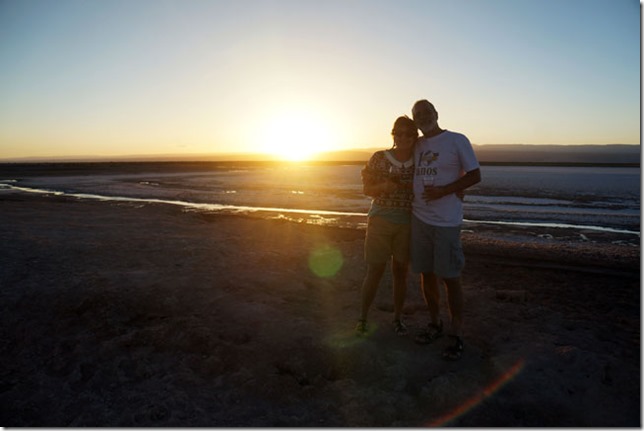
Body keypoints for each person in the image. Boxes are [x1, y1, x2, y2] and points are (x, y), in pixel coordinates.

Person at [410, 99, 481, 360]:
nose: (423, 117)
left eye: (427, 112)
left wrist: (446, 190)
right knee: (426, 274)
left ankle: (457, 333)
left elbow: (475, 175)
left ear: (436, 114)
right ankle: (434, 323)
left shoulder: (456, 140)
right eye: (418, 115)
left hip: (447, 221)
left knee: (450, 278)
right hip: (419, 219)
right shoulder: (416, 145)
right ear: (415, 120)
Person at [356, 116, 417, 337]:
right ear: (393, 135)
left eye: (408, 134)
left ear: (414, 136)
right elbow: (367, 189)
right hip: (380, 220)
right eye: (398, 133)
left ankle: (398, 318)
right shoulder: (379, 158)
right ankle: (362, 318)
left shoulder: (420, 160)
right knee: (375, 270)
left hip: (407, 223)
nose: (403, 138)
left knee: (400, 272)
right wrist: (385, 186)